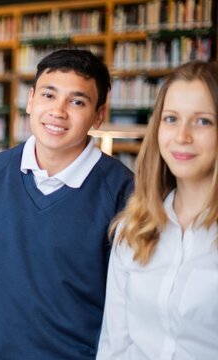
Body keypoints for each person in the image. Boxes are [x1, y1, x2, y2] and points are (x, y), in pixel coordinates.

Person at [0, 49, 135, 359]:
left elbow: (129, 313)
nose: (58, 111)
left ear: (99, 115)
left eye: (77, 101)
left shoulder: (123, 191)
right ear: (31, 99)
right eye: (49, 95)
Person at [97, 61, 218, 359]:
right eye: (171, 119)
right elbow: (114, 346)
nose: (182, 136)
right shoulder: (133, 228)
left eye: (202, 121)